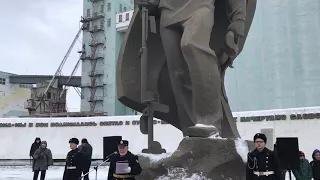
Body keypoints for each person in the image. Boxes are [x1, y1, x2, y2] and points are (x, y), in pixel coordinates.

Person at [134, 0, 248, 137]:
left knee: (193, 46)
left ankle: (209, 121)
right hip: (167, 12)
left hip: (199, 5)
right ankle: (190, 129)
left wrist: (238, 20)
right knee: (178, 73)